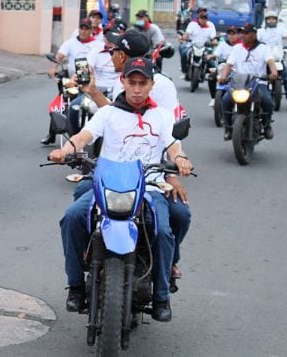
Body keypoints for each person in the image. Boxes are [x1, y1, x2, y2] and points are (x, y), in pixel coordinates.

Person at [50, 56, 194, 323]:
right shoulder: (108, 113)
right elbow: (84, 136)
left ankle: (162, 296)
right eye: (132, 82)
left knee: (163, 230)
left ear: (152, 84)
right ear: (123, 82)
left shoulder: (161, 116)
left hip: (149, 186)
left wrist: (180, 159)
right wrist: (65, 150)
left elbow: (173, 145)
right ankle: (76, 286)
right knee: (71, 218)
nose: (137, 89)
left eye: (143, 83)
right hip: (108, 185)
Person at [219, 23, 278, 140]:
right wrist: (223, 76)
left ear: (254, 35)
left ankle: (267, 126)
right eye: (242, 33)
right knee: (225, 100)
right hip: (239, 82)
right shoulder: (237, 48)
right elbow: (228, 64)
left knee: (267, 101)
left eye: (246, 33)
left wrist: (274, 73)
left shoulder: (264, 48)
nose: (243, 35)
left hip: (258, 82)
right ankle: (228, 128)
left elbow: (271, 62)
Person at [258, 11, 287, 109]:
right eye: (269, 19)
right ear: (266, 20)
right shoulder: (261, 31)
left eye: (273, 19)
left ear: (276, 20)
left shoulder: (281, 29)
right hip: (265, 59)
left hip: (278, 58)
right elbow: (256, 40)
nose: (271, 20)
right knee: (257, 77)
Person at [179, 8, 217, 75]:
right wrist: (184, 37)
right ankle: (184, 70)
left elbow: (214, 38)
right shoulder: (192, 24)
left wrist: (214, 42)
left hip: (205, 47)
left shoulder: (211, 25)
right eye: (201, 18)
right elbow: (186, 34)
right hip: (192, 45)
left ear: (207, 18)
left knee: (211, 60)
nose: (203, 20)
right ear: (198, 17)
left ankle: (212, 74)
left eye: (205, 18)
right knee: (184, 53)